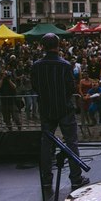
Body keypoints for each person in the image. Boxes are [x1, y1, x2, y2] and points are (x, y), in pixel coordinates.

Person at [31, 33, 89, 192]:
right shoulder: (64, 65)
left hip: (46, 109)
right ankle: (76, 179)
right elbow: (71, 88)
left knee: (46, 145)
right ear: (58, 45)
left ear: (43, 47)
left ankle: (46, 180)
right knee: (71, 142)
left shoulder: (36, 66)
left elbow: (35, 86)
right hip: (64, 109)